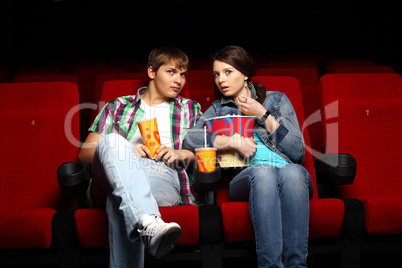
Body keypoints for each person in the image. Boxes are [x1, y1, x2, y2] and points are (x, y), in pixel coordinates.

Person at [184, 45, 313, 268]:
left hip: (289, 174)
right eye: (216, 74)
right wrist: (231, 142)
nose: (220, 80)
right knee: (263, 173)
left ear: (245, 74)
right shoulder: (217, 109)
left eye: (228, 72)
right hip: (247, 178)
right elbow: (191, 139)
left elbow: (297, 152)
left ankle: (296, 265)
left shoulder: (276, 100)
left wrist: (262, 114)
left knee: (293, 171)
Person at [79, 46, 202, 267]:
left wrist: (183, 153)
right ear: (152, 72)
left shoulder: (190, 110)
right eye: (171, 72)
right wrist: (126, 149)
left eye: (183, 74)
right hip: (113, 171)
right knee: (113, 141)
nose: (179, 80)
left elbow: (207, 153)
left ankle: (146, 221)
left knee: (118, 200)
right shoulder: (117, 106)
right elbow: (85, 153)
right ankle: (149, 222)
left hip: (161, 174)